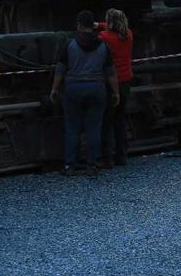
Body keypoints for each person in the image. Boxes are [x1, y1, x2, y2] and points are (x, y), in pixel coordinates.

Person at [50, 11, 119, 175]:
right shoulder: (103, 46)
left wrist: (54, 89)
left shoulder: (69, 44)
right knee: (94, 128)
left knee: (72, 128)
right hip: (97, 88)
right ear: (92, 25)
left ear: (79, 25)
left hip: (73, 88)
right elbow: (111, 72)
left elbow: (60, 69)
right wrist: (116, 92)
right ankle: (92, 164)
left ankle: (69, 165)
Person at [95, 9, 133, 167]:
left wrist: (96, 26)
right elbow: (112, 27)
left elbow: (102, 35)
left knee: (107, 120)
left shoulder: (104, 37)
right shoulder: (128, 34)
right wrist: (100, 24)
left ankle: (106, 157)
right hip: (126, 81)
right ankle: (121, 155)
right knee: (120, 119)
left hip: (111, 83)